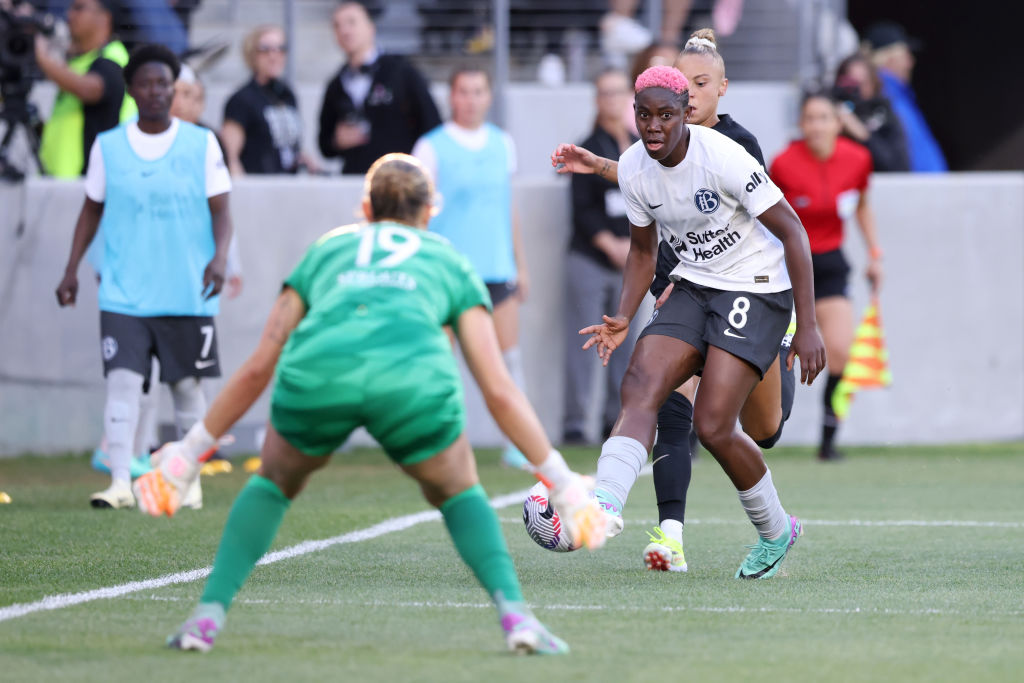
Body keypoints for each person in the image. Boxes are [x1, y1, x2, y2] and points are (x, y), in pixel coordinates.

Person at [132, 153, 607, 655]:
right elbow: (497, 387)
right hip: (410, 383)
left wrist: (188, 455)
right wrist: (563, 484)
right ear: (430, 212)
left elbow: (257, 368)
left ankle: (205, 619)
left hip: (320, 375)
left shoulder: (328, 250)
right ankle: (518, 619)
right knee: (459, 491)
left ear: (365, 207)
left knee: (273, 482)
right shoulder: (447, 258)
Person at [560, 65, 825, 580]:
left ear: (687, 115)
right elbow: (642, 252)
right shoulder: (635, 166)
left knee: (714, 424)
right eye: (644, 115)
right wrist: (622, 315)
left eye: (665, 115)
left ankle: (776, 530)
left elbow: (794, 233)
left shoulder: (723, 156)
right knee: (640, 383)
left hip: (755, 286)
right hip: (694, 282)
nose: (653, 126)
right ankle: (606, 507)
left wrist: (808, 325)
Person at [55, 44, 233, 509]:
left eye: (163, 83)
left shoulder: (201, 142)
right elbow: (90, 211)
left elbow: (222, 211)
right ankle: (118, 482)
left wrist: (220, 260)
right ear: (131, 90)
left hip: (186, 289)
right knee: (122, 384)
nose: (155, 91)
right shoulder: (108, 147)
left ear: (173, 88)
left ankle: (188, 482)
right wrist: (71, 269)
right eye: (145, 83)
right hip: (124, 290)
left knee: (188, 391)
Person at [412, 66, 530, 470]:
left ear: (488, 96)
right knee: (441, 362)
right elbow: (416, 214)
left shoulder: (503, 144)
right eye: (463, 91)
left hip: (497, 270)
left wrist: (520, 264)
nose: (471, 99)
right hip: (447, 274)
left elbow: (507, 208)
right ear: (452, 96)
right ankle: (435, 441)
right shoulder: (429, 147)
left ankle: (519, 443)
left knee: (507, 360)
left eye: (479, 91)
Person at [770, 91, 882, 462]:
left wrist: (874, 254)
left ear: (838, 123)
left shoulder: (858, 159)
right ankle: (744, 433)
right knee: (766, 354)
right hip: (786, 265)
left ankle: (828, 440)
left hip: (831, 264)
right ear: (801, 125)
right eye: (810, 119)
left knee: (839, 352)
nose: (816, 125)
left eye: (824, 118)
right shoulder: (783, 164)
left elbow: (862, 205)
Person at [562, 68, 637, 446]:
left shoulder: (641, 145)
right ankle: (576, 424)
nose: (612, 100)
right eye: (604, 93)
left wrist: (637, 252)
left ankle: (616, 420)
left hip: (632, 267)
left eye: (618, 92)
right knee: (584, 344)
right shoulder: (588, 146)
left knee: (625, 346)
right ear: (596, 100)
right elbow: (583, 210)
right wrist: (612, 246)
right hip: (591, 260)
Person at [317, 1, 441, 175]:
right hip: (356, 181)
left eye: (352, 22)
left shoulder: (401, 72)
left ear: (370, 28)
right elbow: (325, 145)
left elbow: (432, 124)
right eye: (338, 26)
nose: (345, 31)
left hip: (399, 182)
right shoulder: (335, 85)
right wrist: (336, 141)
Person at [34, 0, 137, 177]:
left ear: (104, 17)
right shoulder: (81, 61)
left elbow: (90, 90)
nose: (69, 15)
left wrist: (43, 59)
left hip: (90, 183)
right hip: (61, 180)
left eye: (79, 8)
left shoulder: (113, 58)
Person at [221, 25, 315, 175]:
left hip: (289, 184)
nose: (274, 56)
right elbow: (230, 156)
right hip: (260, 185)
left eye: (280, 49)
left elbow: (286, 145)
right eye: (265, 49)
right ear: (252, 54)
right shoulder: (241, 99)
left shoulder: (287, 94)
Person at [864, 21, 946, 172]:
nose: (911, 63)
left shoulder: (898, 95)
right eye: (906, 55)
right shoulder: (885, 98)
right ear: (889, 59)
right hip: (916, 190)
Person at [833, 52, 909, 172]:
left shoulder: (885, 115)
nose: (856, 90)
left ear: (873, 84)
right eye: (851, 84)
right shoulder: (830, 114)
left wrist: (862, 133)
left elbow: (897, 167)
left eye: (863, 83)